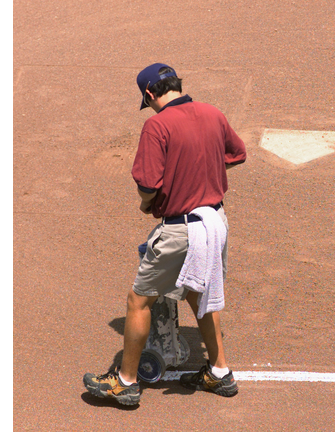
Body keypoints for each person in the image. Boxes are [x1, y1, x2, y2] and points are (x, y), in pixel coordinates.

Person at [83, 63, 247, 406]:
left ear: (149, 93)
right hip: (215, 222)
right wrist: (202, 172)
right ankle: (219, 372)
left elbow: (147, 185)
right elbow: (236, 154)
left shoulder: (157, 125)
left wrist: (148, 204)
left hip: (181, 230)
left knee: (139, 299)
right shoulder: (213, 113)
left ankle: (125, 382)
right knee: (198, 293)